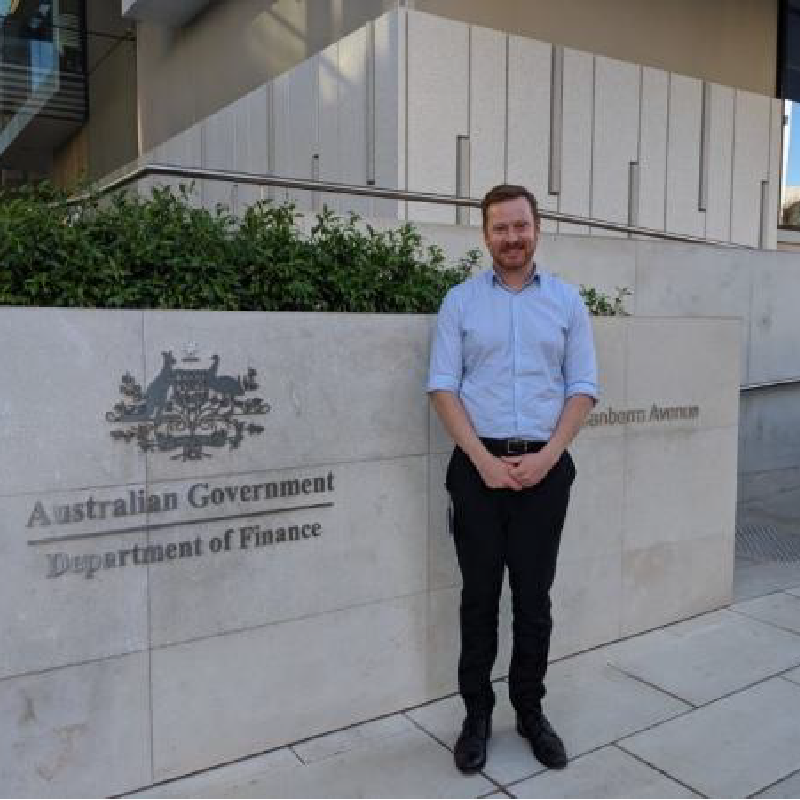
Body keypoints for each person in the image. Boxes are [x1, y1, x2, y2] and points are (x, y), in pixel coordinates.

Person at [427, 183, 597, 774]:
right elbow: (442, 388)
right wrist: (483, 461)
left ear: (537, 228)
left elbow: (583, 388)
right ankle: (476, 715)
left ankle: (530, 710)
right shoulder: (461, 302)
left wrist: (549, 456)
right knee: (479, 599)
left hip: (545, 469)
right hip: (477, 468)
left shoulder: (567, 303)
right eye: (500, 228)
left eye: (520, 226)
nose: (512, 238)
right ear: (485, 235)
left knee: (533, 600)